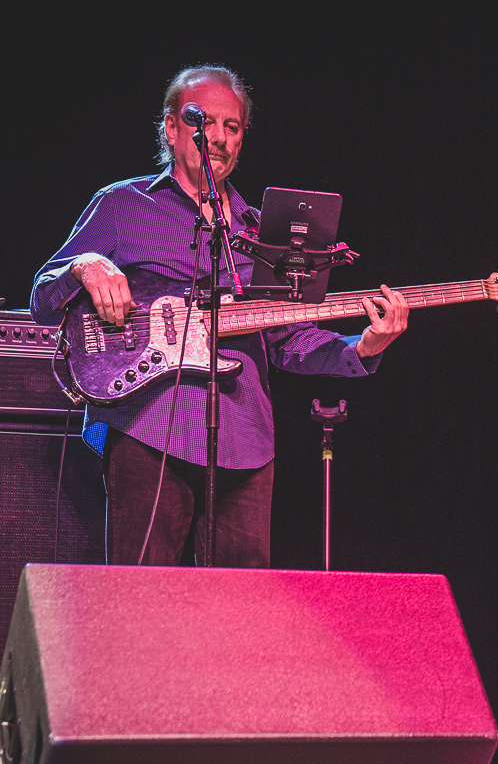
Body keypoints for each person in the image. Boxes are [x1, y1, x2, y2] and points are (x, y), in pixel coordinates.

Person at [30, 65, 409, 567]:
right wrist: (83, 264)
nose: (218, 137)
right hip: (147, 425)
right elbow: (42, 296)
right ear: (170, 128)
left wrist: (362, 347)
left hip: (244, 440)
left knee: (239, 613)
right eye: (203, 121)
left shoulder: (262, 233)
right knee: (140, 600)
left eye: (232, 127)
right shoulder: (124, 204)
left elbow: (289, 339)